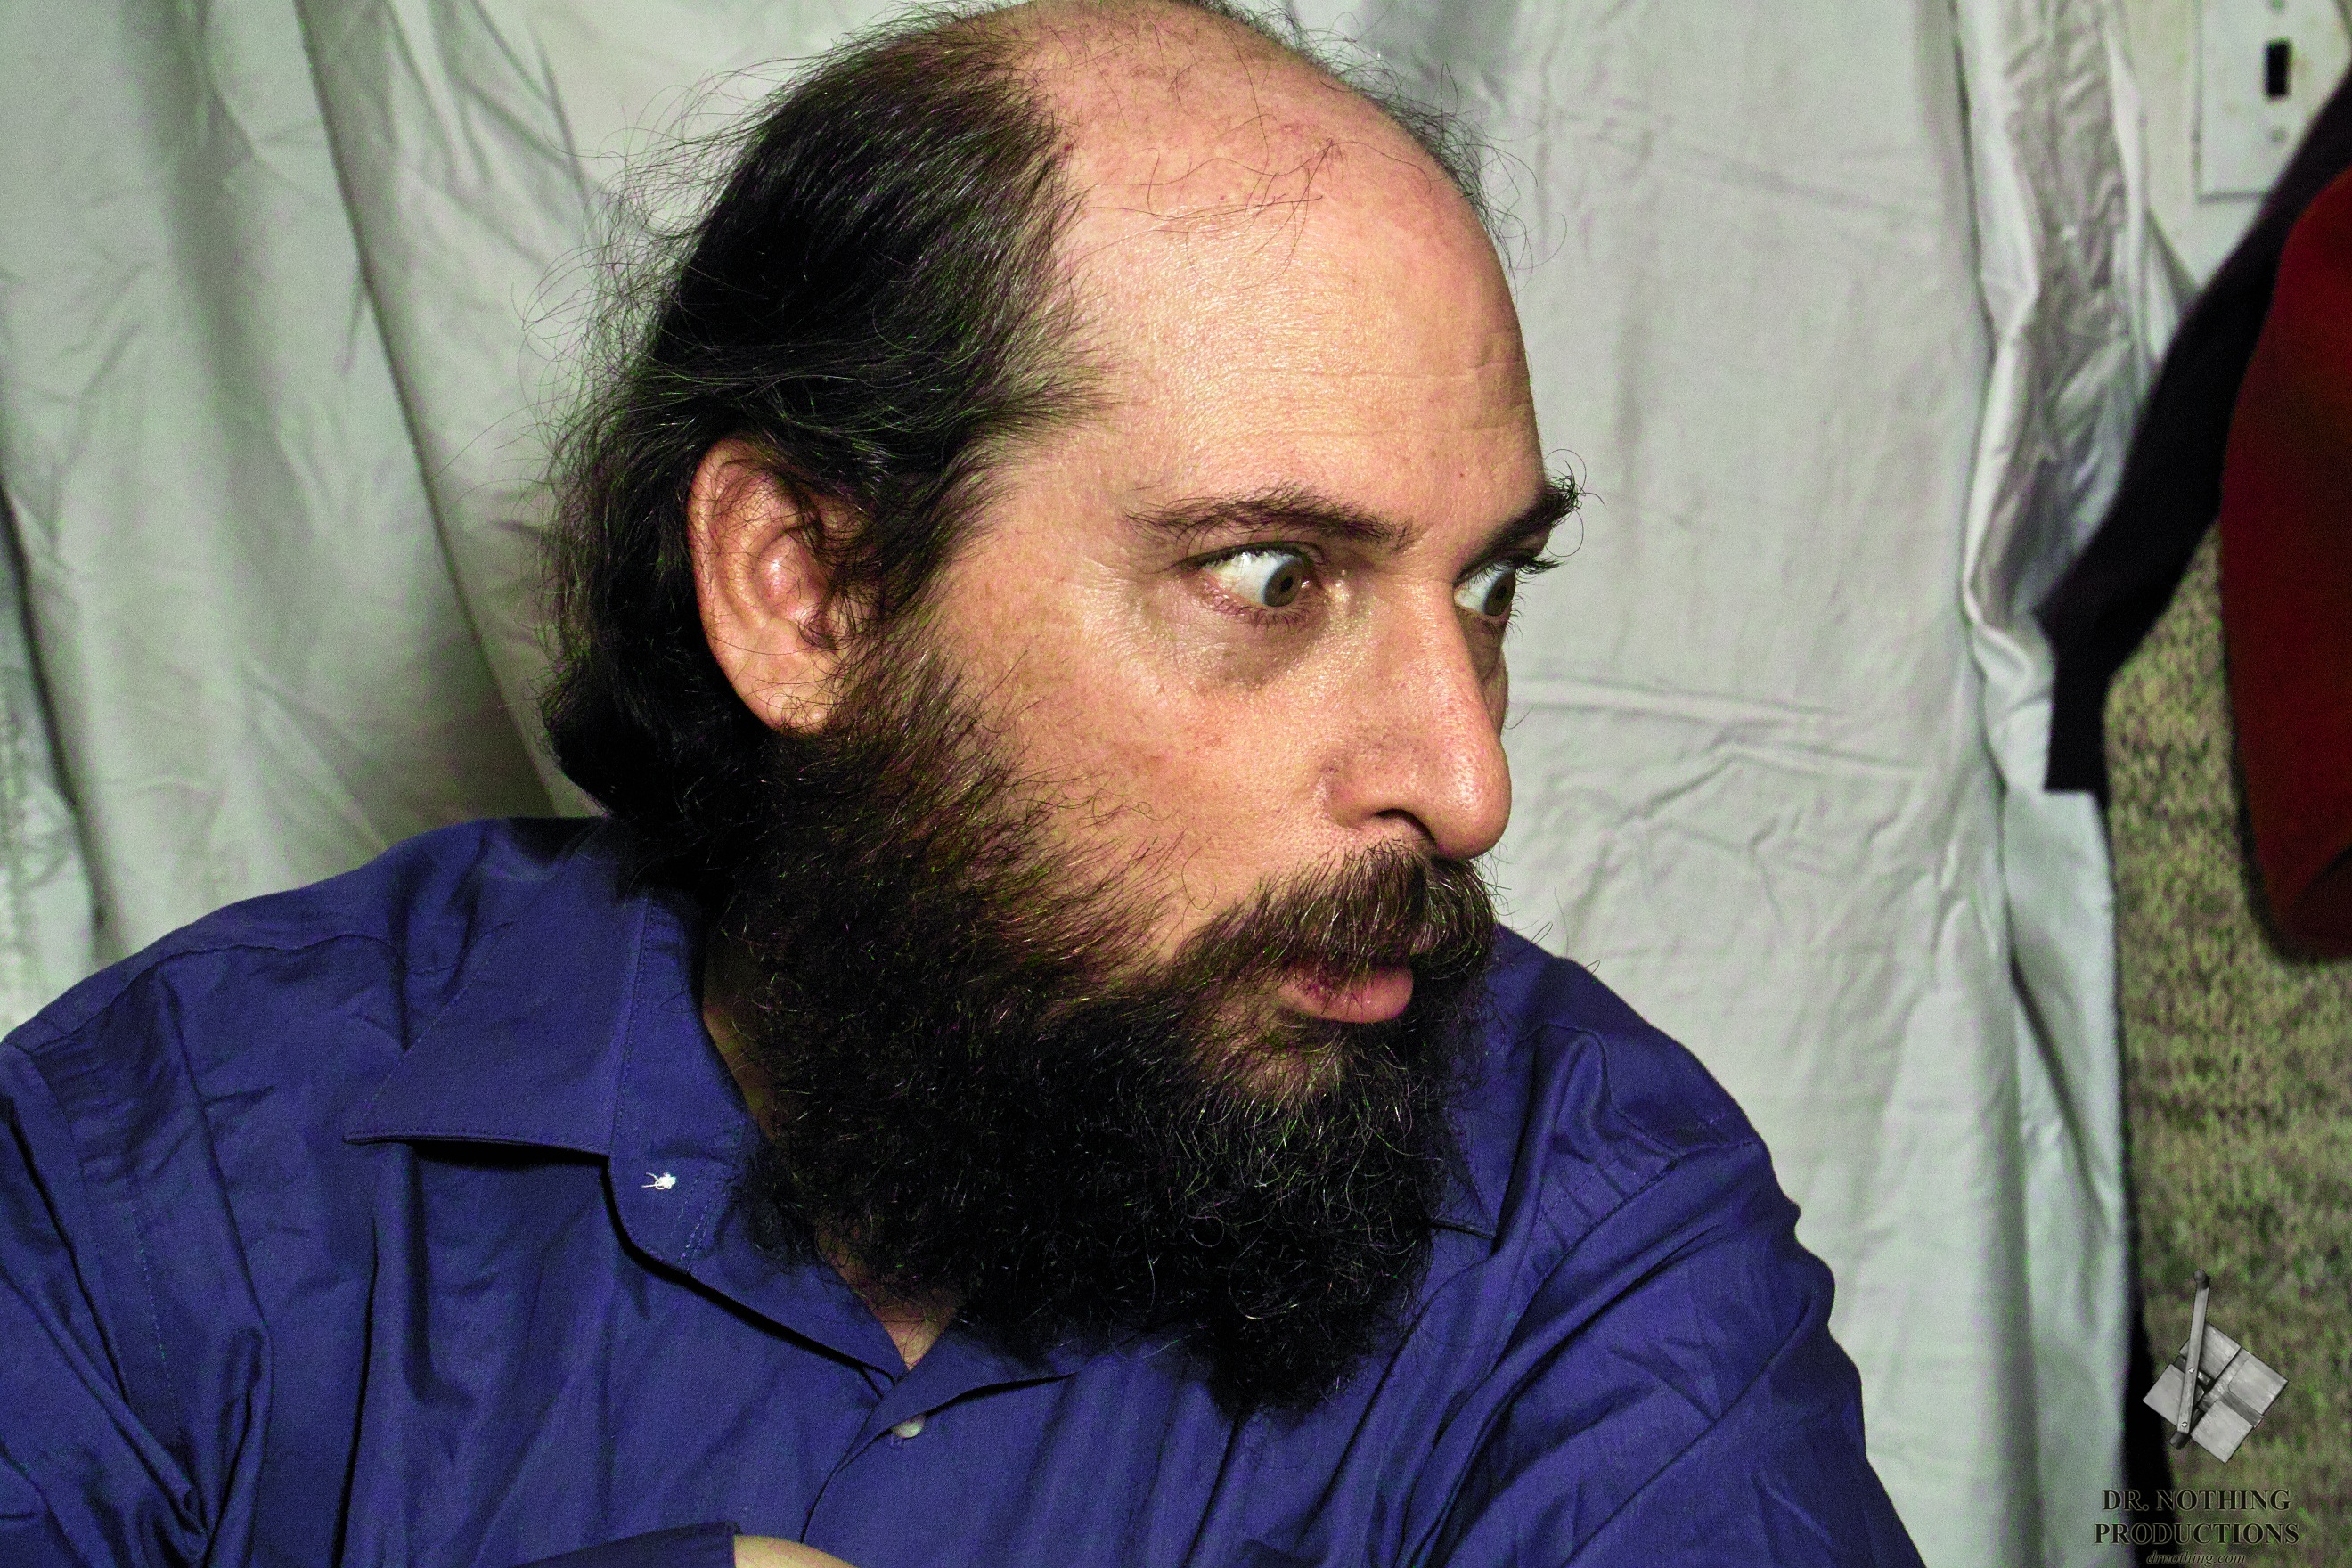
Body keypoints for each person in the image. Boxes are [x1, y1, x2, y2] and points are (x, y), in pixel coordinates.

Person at [0, 2, 1923, 1564]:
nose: (1468, 779)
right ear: (805, 590)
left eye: (1487, 586)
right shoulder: (175, 1171)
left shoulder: (1585, 1227)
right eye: (1271, 577)